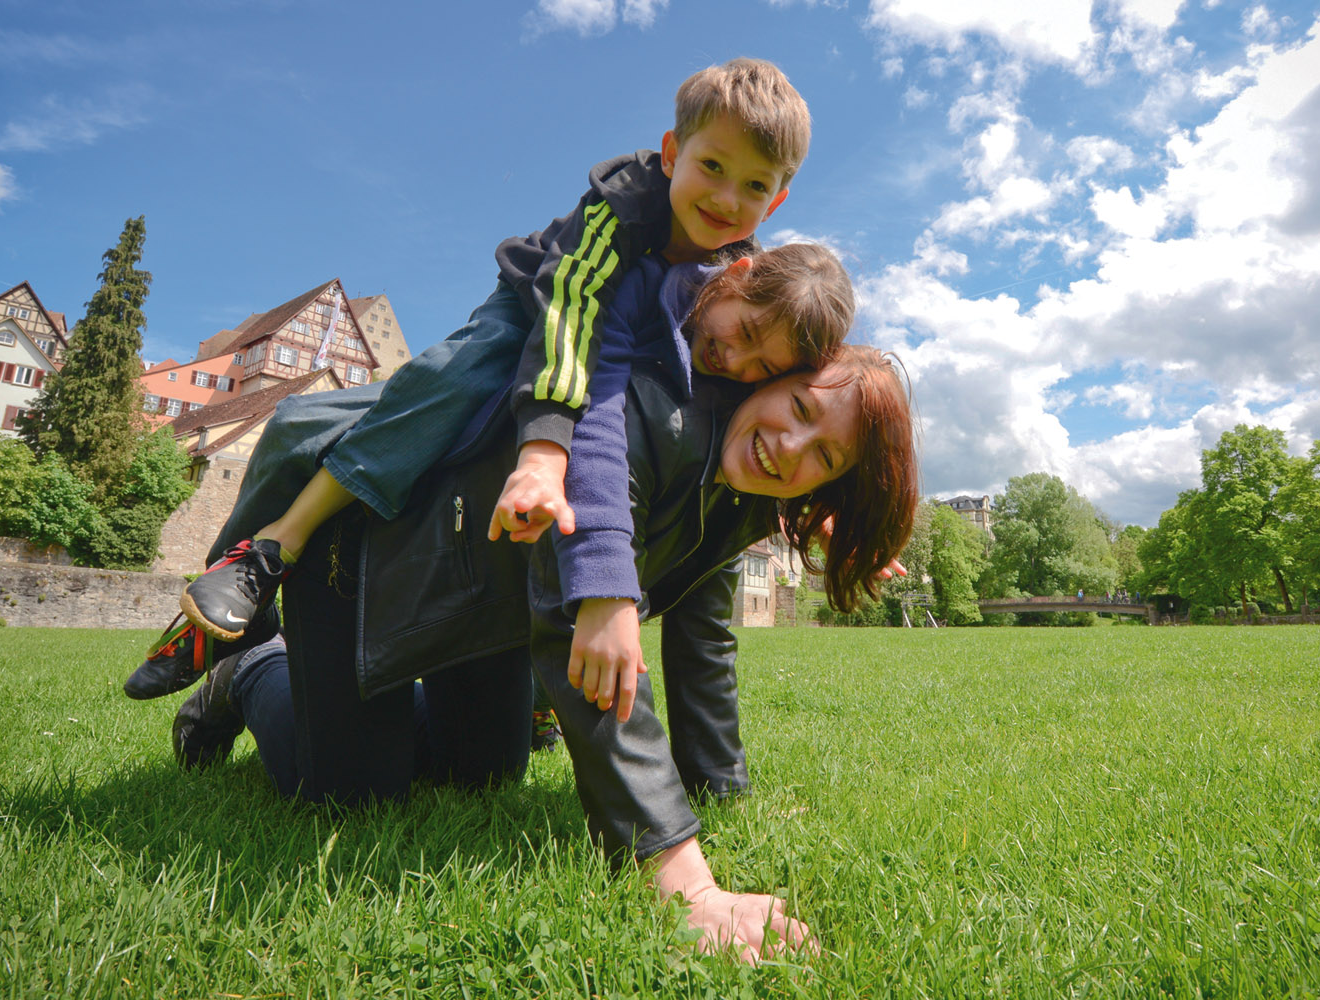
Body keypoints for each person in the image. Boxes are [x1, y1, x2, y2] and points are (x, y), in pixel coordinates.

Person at [166, 258, 920, 964]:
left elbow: (705, 642)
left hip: (485, 608)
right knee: (350, 794)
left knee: (488, 774)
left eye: (824, 457)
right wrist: (684, 878)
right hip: (367, 569)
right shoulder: (647, 416)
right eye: (797, 408)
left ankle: (375, 713)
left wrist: (720, 791)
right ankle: (252, 673)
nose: (792, 447)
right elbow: (581, 621)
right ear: (774, 379)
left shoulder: (747, 496)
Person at [170, 57, 814, 651]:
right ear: (673, 154)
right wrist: (543, 451)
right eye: (712, 167)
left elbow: (772, 387)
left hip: (606, 356)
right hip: (536, 306)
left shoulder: (740, 271)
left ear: (777, 199)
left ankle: (532, 677)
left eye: (755, 185)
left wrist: (814, 502)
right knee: (453, 377)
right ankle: (275, 546)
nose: (728, 198)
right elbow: (570, 313)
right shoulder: (623, 206)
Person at [127, 242, 853, 703]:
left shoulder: (730, 370)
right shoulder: (662, 260)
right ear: (737, 274)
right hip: (534, 326)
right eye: (746, 336)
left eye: (765, 367)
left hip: (513, 476)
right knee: (359, 412)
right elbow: (593, 372)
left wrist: (814, 508)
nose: (738, 363)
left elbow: (778, 439)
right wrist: (544, 454)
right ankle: (261, 560)